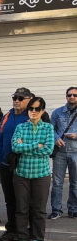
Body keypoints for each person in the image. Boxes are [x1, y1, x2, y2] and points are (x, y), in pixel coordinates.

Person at [12, 97, 54, 241]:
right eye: (31, 109)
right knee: (21, 208)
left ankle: (38, 239)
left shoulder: (48, 128)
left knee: (39, 209)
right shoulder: (21, 127)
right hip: (21, 173)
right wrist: (37, 145)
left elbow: (48, 149)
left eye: (37, 109)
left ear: (42, 111)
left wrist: (26, 146)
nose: (34, 112)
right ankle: (22, 238)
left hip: (41, 174)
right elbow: (15, 147)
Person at [0, 88, 34, 241]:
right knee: (10, 199)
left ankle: (27, 232)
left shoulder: (32, 116)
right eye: (14, 97)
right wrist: (0, 160)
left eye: (20, 98)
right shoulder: (8, 116)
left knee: (25, 200)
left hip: (24, 165)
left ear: (29, 99)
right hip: (6, 165)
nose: (16, 100)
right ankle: (11, 230)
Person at [49, 86, 77, 219]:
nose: (72, 97)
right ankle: (56, 210)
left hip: (76, 152)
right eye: (69, 95)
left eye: (75, 95)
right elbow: (50, 129)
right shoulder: (57, 112)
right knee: (57, 182)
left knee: (75, 182)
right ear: (66, 96)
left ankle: (73, 209)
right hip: (60, 152)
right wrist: (56, 138)